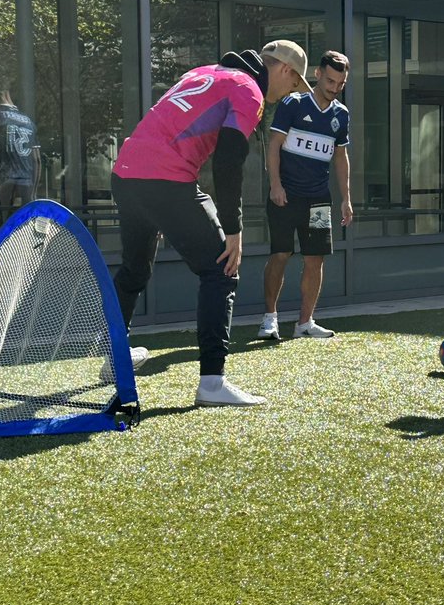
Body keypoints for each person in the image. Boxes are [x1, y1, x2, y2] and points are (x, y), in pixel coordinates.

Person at [112, 39, 310, 407]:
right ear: (284, 70)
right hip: (164, 178)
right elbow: (228, 161)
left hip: (124, 173)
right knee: (222, 268)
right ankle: (212, 384)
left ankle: (114, 359)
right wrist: (234, 230)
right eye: (295, 84)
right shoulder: (249, 90)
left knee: (134, 269)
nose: (289, 93)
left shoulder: (203, 72)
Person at [257, 51, 353, 342]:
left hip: (319, 200)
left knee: (315, 260)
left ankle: (305, 323)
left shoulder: (341, 114)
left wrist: (346, 199)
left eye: (340, 83)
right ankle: (269, 320)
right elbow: (274, 146)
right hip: (285, 196)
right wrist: (275, 185)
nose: (334, 87)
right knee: (280, 255)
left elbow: (340, 157)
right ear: (318, 74)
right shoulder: (292, 104)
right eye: (330, 79)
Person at [0, 88, 40, 221]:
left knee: (3, 215)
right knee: (27, 218)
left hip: (8, 177)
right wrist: (34, 191)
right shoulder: (28, 121)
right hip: (26, 179)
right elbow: (36, 160)